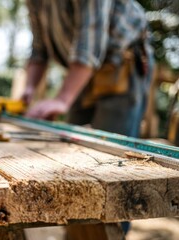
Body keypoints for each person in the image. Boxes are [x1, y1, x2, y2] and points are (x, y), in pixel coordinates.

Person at [22, 0, 154, 238]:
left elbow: (89, 45)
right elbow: (39, 48)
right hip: (82, 71)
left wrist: (63, 98)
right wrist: (29, 87)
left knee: (114, 168)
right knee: (73, 161)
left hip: (120, 63)